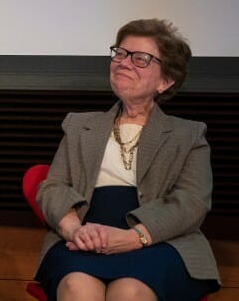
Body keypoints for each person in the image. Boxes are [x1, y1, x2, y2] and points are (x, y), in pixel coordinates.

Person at [33, 18, 220, 300]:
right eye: (120, 53)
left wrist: (134, 238)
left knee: (129, 292)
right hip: (84, 237)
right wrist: (74, 230)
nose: (123, 62)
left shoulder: (189, 134)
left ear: (165, 81)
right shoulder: (79, 126)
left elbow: (192, 202)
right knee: (77, 287)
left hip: (159, 241)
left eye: (140, 59)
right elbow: (53, 187)